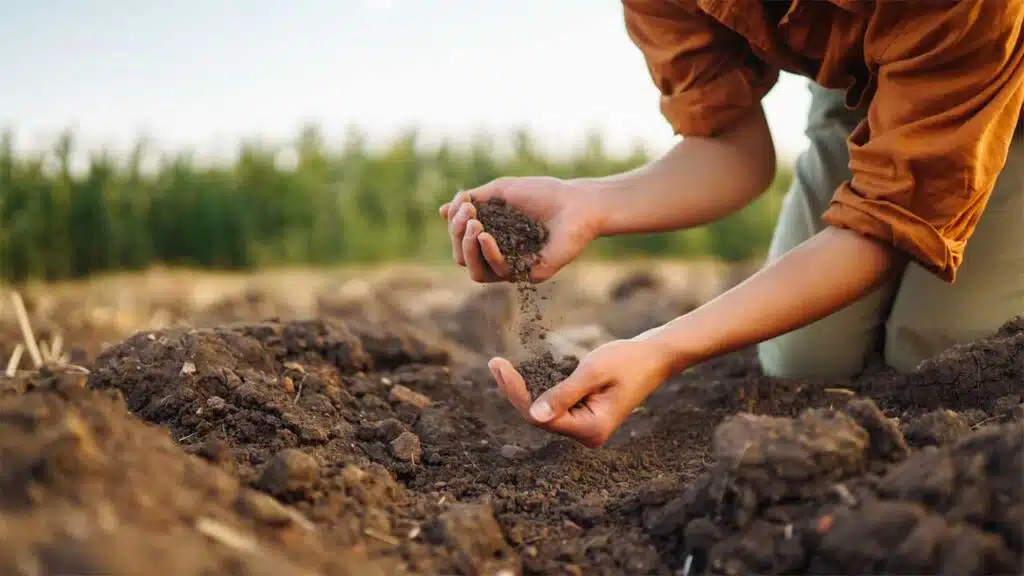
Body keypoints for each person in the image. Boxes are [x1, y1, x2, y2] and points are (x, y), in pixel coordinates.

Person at [439, 0, 1024, 448]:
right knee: (806, 363)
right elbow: (728, 148)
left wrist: (662, 349)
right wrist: (589, 203)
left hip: (990, 58)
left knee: (940, 354)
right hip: (871, 78)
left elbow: (885, 223)